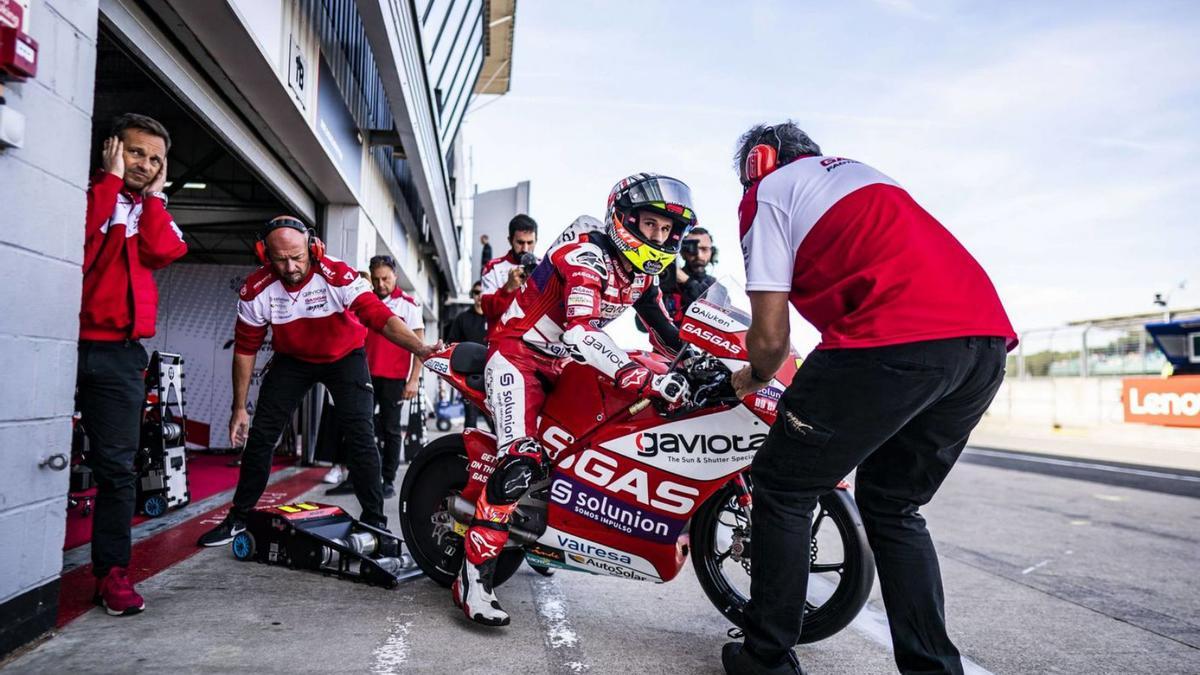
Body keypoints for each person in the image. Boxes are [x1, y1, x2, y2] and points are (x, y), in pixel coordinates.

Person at [722, 122, 1016, 675]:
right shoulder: (866, 179)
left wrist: (751, 378)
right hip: (984, 346)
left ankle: (764, 660)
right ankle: (933, 668)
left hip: (893, 340)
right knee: (894, 506)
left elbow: (769, 338)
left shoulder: (769, 193)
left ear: (757, 164)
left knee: (784, 485)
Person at [454, 173, 693, 626]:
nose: (658, 238)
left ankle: (547, 534)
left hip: (562, 362)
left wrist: (702, 363)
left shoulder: (641, 274)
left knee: (588, 446)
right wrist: (636, 373)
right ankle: (473, 579)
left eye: (666, 231)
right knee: (522, 461)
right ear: (624, 220)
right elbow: (583, 331)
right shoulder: (587, 256)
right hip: (518, 354)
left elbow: (666, 333)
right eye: (649, 226)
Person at [196, 218, 438, 546]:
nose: (291, 266)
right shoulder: (256, 289)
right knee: (262, 436)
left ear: (313, 248)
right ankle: (239, 517)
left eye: (297, 257)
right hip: (292, 361)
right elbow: (245, 350)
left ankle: (375, 521)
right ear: (265, 254)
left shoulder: (337, 274)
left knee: (361, 435)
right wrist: (239, 407)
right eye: (280, 259)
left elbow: (380, 318)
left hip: (345, 357)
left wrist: (421, 349)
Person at [77, 113, 187, 616]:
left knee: (118, 470)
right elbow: (79, 243)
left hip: (121, 355)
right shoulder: (84, 193)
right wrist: (110, 181)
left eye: (155, 159)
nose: (145, 164)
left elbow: (163, 250)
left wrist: (155, 197)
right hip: (64, 344)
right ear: (114, 148)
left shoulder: (152, 212)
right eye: (137, 152)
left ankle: (112, 574)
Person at [361, 254, 424, 498]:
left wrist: (414, 379)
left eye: (385, 279)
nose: (380, 285)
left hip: (394, 378)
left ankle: (388, 479)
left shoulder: (408, 305)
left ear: (395, 276)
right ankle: (366, 474)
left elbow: (419, 345)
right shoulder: (364, 301)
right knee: (362, 427)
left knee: (391, 429)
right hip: (364, 375)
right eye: (376, 279)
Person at [636, 225, 717, 330]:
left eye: (704, 249)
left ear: (713, 252)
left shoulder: (716, 287)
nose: (699, 255)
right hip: (670, 344)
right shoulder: (664, 279)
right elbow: (642, 325)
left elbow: (715, 314)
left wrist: (687, 281)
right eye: (692, 249)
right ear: (682, 252)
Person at [479, 214, 538, 332]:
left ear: (536, 241)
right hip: (502, 341)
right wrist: (508, 288)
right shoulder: (493, 267)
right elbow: (487, 310)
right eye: (520, 242)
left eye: (530, 242)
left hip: (535, 342)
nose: (525, 249)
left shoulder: (545, 266)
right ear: (510, 240)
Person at [444, 281, 488, 429]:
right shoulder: (462, 318)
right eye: (476, 292)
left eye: (483, 292)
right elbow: (452, 344)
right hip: (470, 378)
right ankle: (468, 452)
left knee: (496, 422)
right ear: (472, 295)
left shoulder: (497, 317)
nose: (480, 296)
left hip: (493, 375)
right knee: (471, 420)